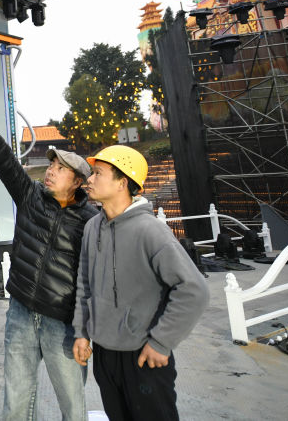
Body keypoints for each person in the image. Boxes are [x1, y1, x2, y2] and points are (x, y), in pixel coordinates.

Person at [0, 95, 97, 421]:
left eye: (60, 169)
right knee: (16, 400)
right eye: (51, 166)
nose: (51, 172)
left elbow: (90, 281)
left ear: (77, 181)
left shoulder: (90, 221)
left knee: (72, 404)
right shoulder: (30, 195)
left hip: (62, 322)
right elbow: (6, 163)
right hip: (20, 313)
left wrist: (84, 330)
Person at [73, 145, 209, 421]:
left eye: (98, 173)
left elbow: (193, 289)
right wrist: (82, 332)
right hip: (104, 354)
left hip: (144, 354)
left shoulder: (150, 230)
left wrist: (161, 342)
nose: (90, 179)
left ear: (122, 182)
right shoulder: (92, 228)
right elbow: (84, 284)